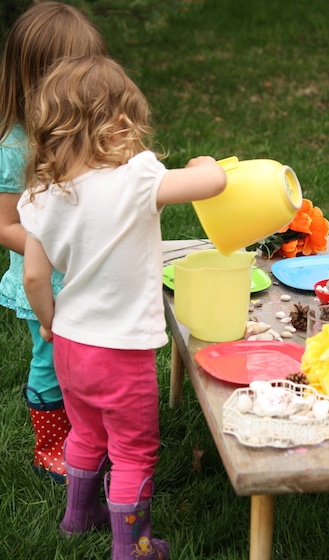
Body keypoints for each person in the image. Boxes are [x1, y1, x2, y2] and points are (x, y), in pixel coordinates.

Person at [18, 54, 226, 558]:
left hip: (69, 342)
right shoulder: (136, 180)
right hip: (121, 351)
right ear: (119, 125)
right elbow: (213, 184)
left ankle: (77, 518)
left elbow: (34, 275)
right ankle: (132, 547)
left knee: (86, 432)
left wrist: (49, 322)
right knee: (133, 450)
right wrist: (205, 165)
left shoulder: (40, 196)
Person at [0, 1, 108, 483]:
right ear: (39, 80)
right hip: (46, 283)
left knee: (90, 361)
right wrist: (62, 247)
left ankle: (88, 436)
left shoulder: (86, 135)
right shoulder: (15, 147)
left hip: (90, 277)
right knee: (51, 361)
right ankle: (50, 445)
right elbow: (5, 225)